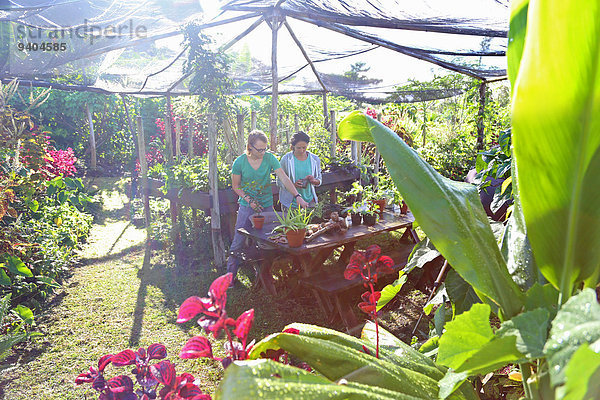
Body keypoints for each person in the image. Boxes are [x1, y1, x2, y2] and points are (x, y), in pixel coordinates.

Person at [227, 130, 308, 284]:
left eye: (265, 149)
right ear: (250, 147)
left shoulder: (270, 158)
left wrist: (297, 196)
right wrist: (249, 199)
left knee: (271, 239)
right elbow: (236, 186)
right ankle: (229, 278)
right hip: (247, 205)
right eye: (260, 149)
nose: (263, 152)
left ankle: (267, 273)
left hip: (266, 205)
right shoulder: (240, 162)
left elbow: (284, 178)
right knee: (238, 240)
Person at [278, 131, 322, 210]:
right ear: (293, 146)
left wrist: (313, 180)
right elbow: (279, 181)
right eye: (298, 148)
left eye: (304, 147)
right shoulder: (286, 159)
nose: (302, 150)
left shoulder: (314, 159)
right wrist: (293, 185)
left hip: (309, 202)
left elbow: (319, 180)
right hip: (290, 203)